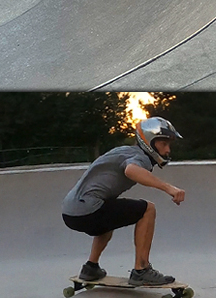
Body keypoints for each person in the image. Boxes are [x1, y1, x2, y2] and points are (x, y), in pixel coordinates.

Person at [62, 116, 185, 285]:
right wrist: (169, 188)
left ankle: (91, 268)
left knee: (108, 213)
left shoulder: (124, 151)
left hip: (70, 212)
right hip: (88, 209)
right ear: (149, 142)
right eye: (164, 144)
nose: (168, 150)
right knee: (147, 209)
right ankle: (141, 270)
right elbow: (131, 170)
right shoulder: (139, 157)